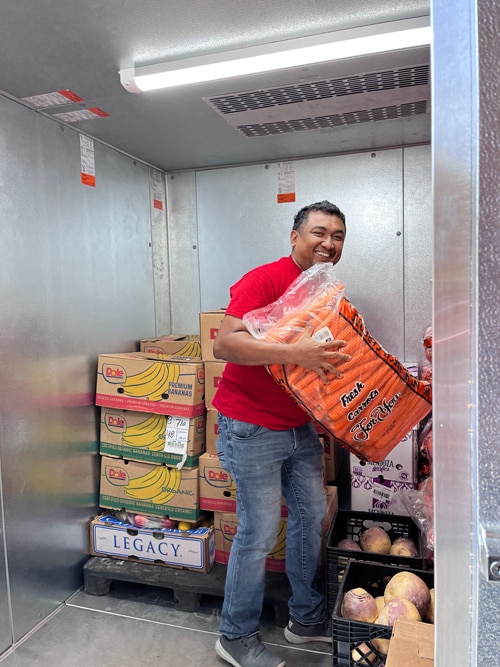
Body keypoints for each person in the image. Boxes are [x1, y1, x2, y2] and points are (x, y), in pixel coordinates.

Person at [212, 200, 351, 667]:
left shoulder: (329, 293)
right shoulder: (265, 280)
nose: (327, 243)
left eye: (337, 236)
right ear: (295, 237)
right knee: (258, 529)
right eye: (318, 232)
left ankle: (306, 617)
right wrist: (296, 353)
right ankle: (235, 635)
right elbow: (226, 343)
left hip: (299, 426)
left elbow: (324, 360)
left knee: (312, 516)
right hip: (250, 425)